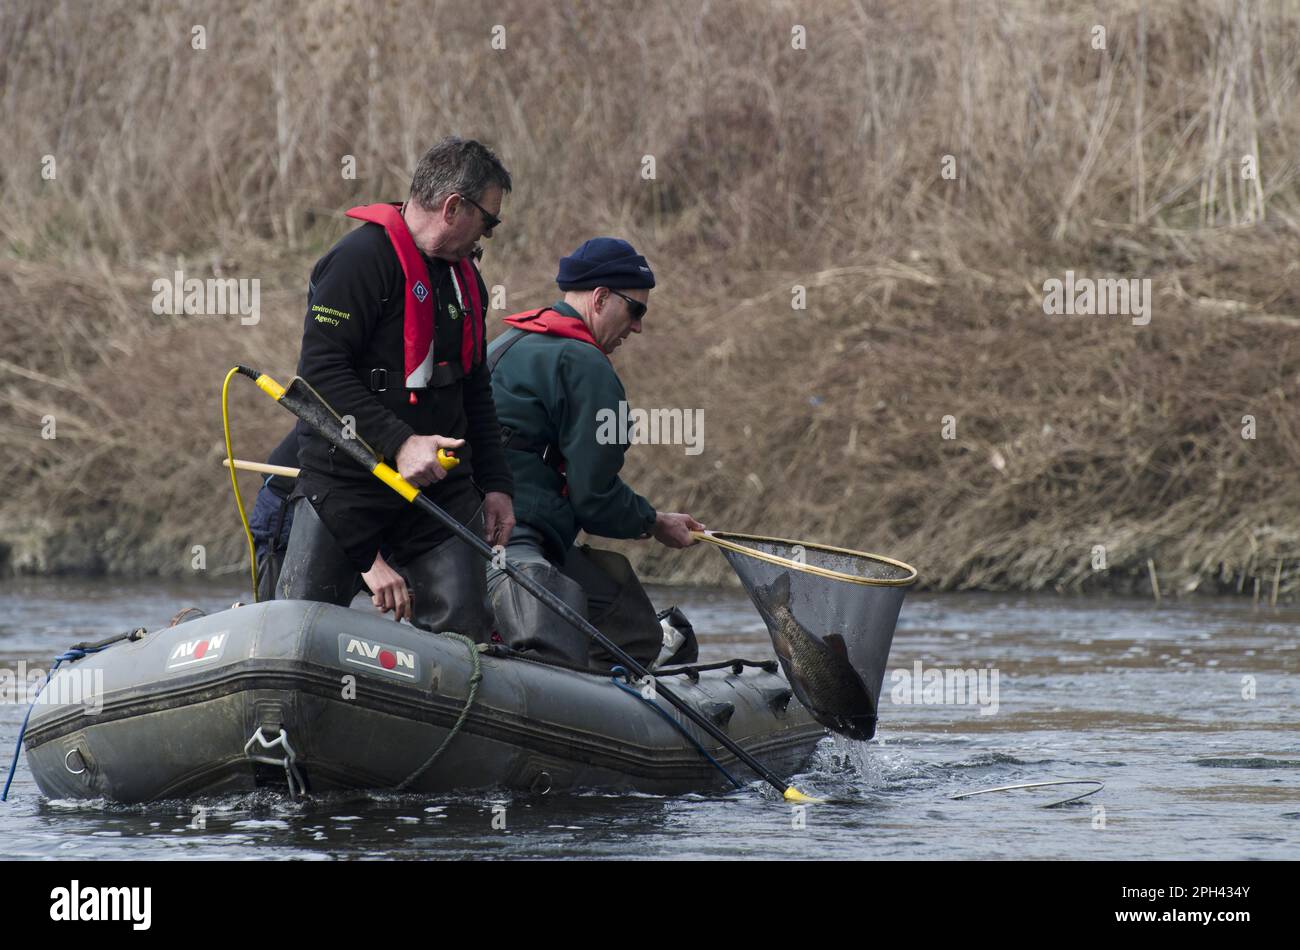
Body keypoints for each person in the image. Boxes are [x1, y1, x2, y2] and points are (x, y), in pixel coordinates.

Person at [276, 137, 515, 638]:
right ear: (454, 207)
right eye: (488, 221)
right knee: (297, 634)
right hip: (345, 488)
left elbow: (475, 388)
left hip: (439, 495)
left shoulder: (465, 279)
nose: (488, 235)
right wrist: (400, 443)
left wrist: (495, 485)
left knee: (465, 635)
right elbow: (320, 376)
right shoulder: (357, 261)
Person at [485, 238, 704, 669]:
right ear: (601, 297)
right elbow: (594, 498)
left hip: (463, 530)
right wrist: (653, 522)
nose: (637, 326)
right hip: (520, 538)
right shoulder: (588, 367)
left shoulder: (506, 341)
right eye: (635, 310)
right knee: (635, 628)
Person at [249, 425, 411, 619]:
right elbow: (335, 471)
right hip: (304, 504)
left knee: (423, 599)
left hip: (388, 512)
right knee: (291, 621)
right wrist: (372, 564)